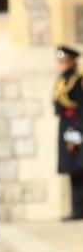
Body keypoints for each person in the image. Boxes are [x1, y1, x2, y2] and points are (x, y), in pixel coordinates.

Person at [54, 45, 83, 220]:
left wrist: (77, 130)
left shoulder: (78, 80)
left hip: (77, 126)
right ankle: (77, 209)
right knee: (73, 170)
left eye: (64, 62)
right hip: (67, 127)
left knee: (79, 168)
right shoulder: (62, 80)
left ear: (72, 62)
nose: (61, 65)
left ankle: (78, 210)